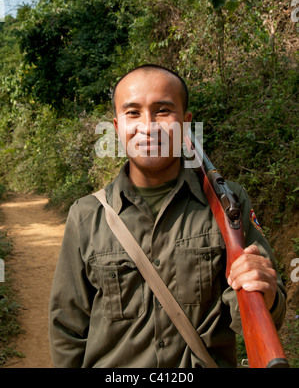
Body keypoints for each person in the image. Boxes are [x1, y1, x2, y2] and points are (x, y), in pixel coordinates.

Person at [49, 64, 286, 368]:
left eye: (163, 111)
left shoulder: (227, 203)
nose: (148, 126)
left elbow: (261, 312)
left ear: (186, 123)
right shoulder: (85, 215)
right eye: (132, 113)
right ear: (117, 126)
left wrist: (264, 293)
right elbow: (67, 329)